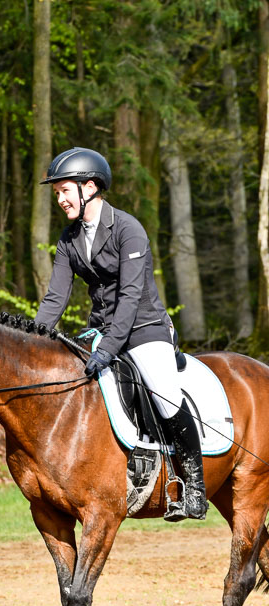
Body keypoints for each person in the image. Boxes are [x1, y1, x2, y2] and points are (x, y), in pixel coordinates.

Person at [34, 146, 208, 522]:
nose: (60, 200)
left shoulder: (128, 229)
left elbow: (130, 299)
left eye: (65, 191)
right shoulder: (69, 239)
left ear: (90, 187)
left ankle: (194, 487)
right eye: (57, 194)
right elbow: (55, 298)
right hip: (101, 329)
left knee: (163, 393)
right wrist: (33, 340)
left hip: (145, 328)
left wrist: (108, 348)